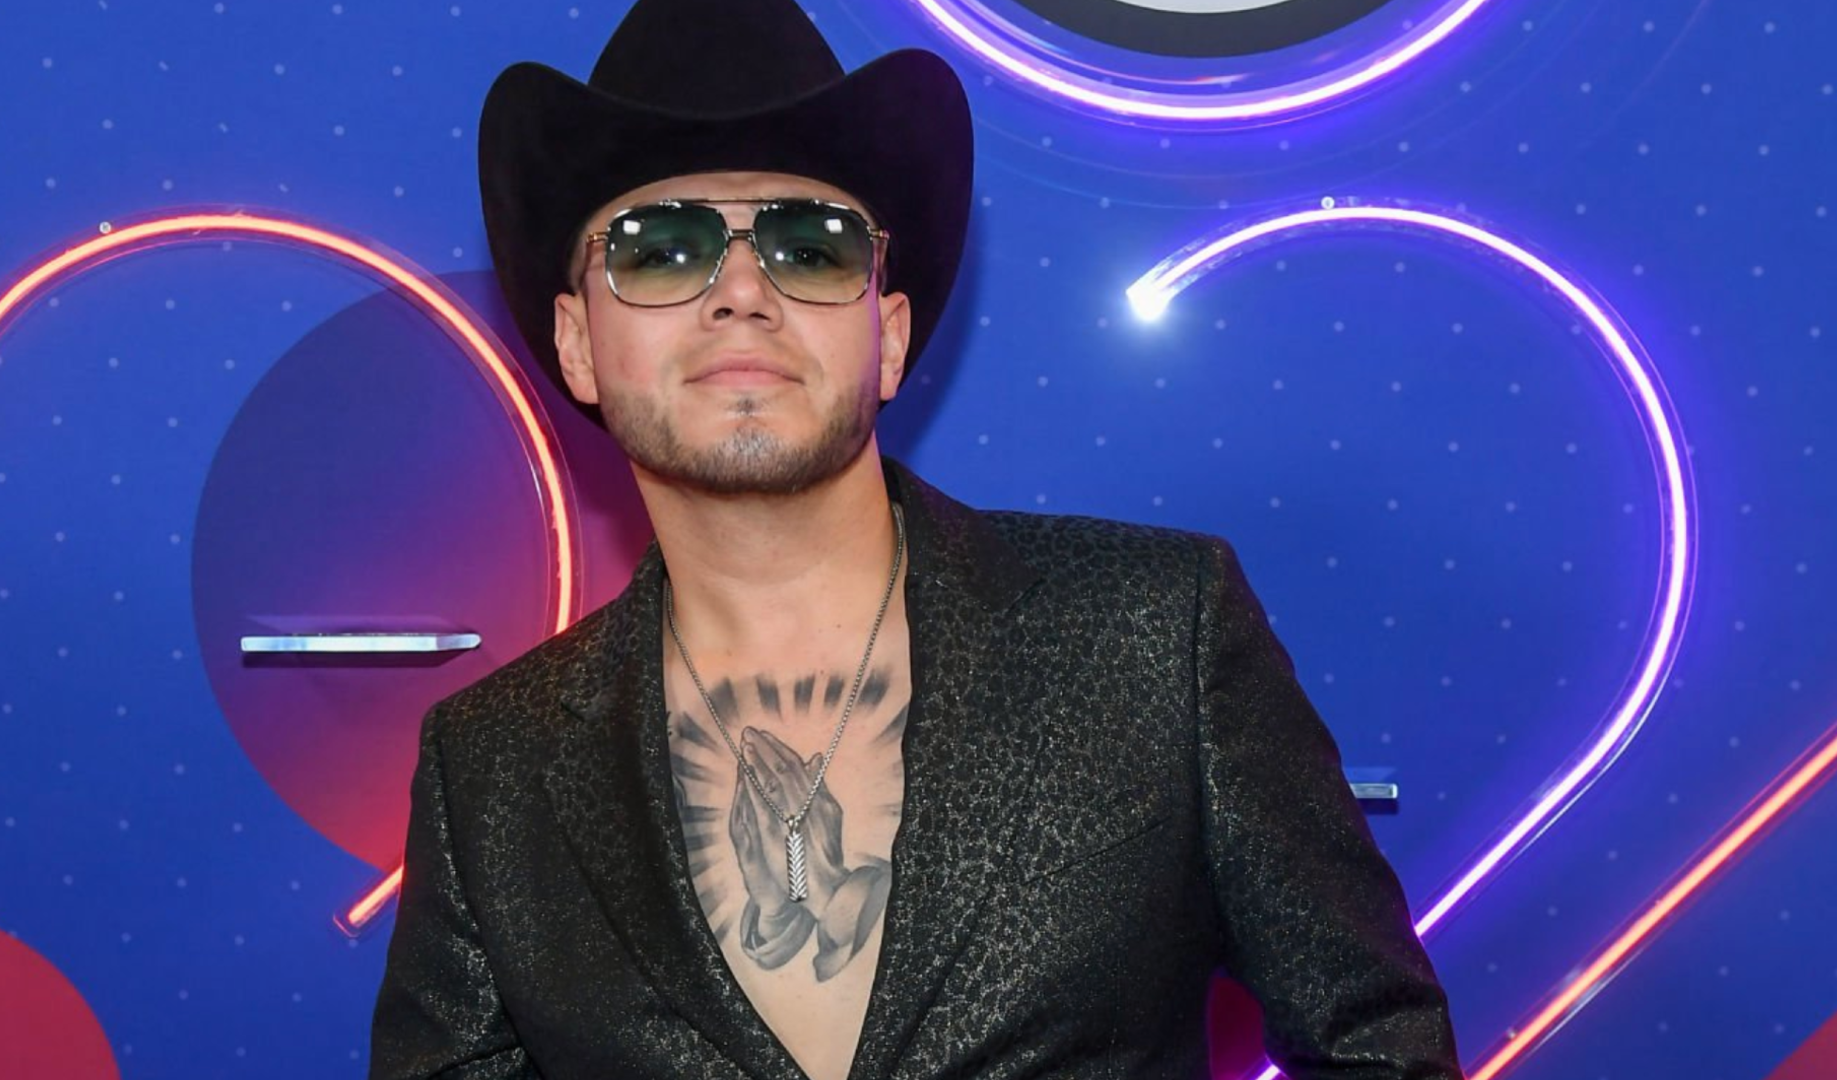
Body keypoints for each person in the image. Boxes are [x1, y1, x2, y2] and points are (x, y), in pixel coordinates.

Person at [368, 0, 1463, 1076]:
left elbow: (1383, 1050)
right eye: (660, 249)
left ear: (887, 337)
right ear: (576, 343)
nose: (741, 290)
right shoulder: (489, 768)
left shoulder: (1154, 635)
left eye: (811, 246)